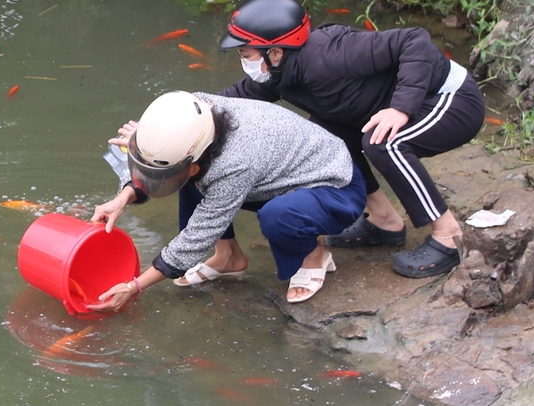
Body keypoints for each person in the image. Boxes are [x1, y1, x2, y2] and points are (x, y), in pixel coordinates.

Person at [213, 0, 485, 279]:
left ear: (276, 52)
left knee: (384, 141)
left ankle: (449, 235)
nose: (243, 60)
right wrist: (194, 108)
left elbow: (414, 41)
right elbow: (238, 98)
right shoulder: (283, 73)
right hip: (412, 101)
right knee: (327, 136)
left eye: (246, 54)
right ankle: (384, 221)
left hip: (450, 98)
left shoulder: (331, 54)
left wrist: (400, 108)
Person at [87, 90, 367, 310]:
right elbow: (155, 162)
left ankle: (313, 256)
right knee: (188, 178)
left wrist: (134, 286)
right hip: (276, 172)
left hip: (334, 185)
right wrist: (123, 197)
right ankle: (228, 257)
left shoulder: (234, 165)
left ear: (194, 163)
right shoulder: (189, 115)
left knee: (277, 216)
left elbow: (199, 235)